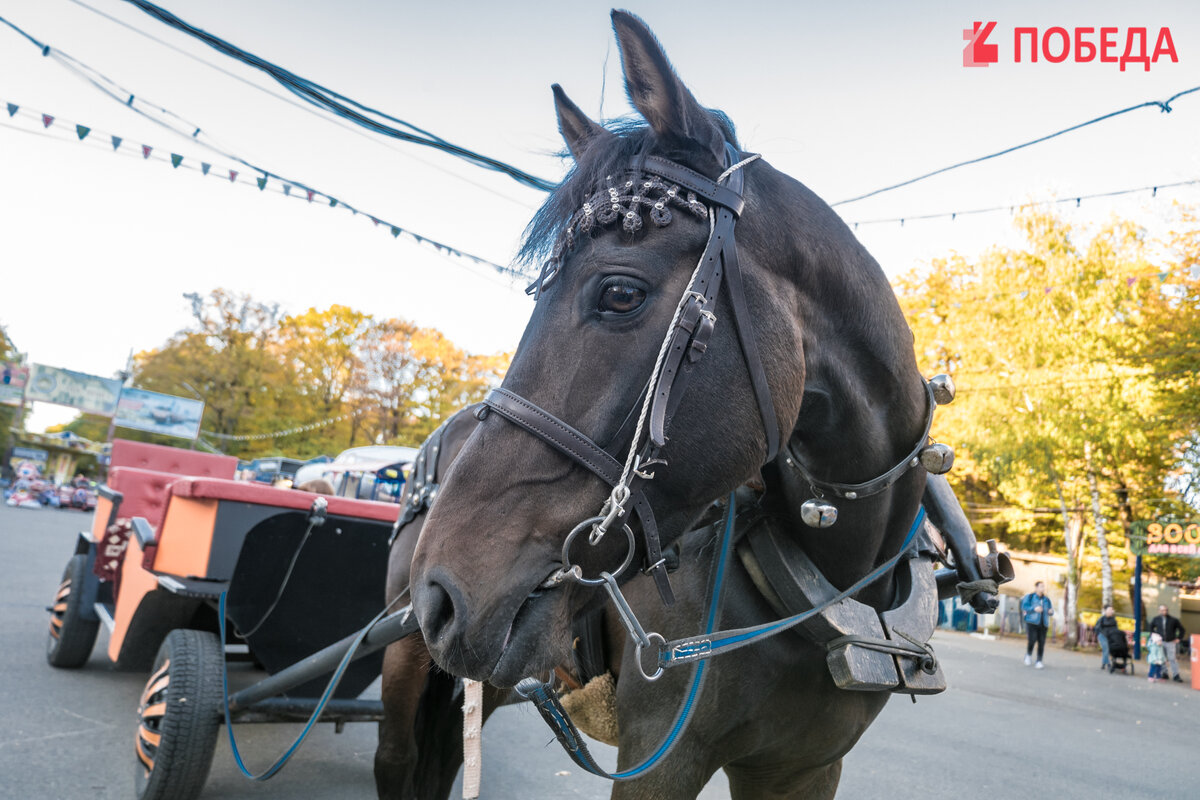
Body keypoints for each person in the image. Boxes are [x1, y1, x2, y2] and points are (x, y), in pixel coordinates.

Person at [1147, 605, 1186, 683]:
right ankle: (1164, 673)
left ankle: (1176, 675)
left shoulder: (1173, 620)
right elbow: (1151, 629)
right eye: (1162, 610)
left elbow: (1182, 629)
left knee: (1172, 658)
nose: (1164, 612)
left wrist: (1179, 638)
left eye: (1165, 610)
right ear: (1159, 611)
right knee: (1162, 658)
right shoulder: (1156, 619)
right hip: (1160, 642)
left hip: (1170, 642)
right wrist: (1155, 638)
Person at [1021, 581, 1054, 668]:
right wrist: (1034, 608)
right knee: (1032, 640)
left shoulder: (1046, 599)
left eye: (1044, 586)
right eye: (1041, 586)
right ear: (1036, 588)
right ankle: (1028, 656)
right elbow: (1024, 607)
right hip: (1032, 622)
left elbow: (1051, 610)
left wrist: (1051, 612)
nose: (1043, 588)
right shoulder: (1030, 597)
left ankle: (1039, 661)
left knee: (1041, 643)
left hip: (1043, 624)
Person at [1094, 605, 1119, 670]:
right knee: (1106, 648)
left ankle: (1104, 663)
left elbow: (1116, 629)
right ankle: (1108, 664)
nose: (1111, 611)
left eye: (1112, 610)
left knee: (1107, 650)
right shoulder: (1101, 619)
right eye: (1109, 610)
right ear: (1105, 611)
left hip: (1111, 637)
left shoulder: (1113, 620)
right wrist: (1099, 635)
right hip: (1102, 636)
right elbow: (1097, 628)